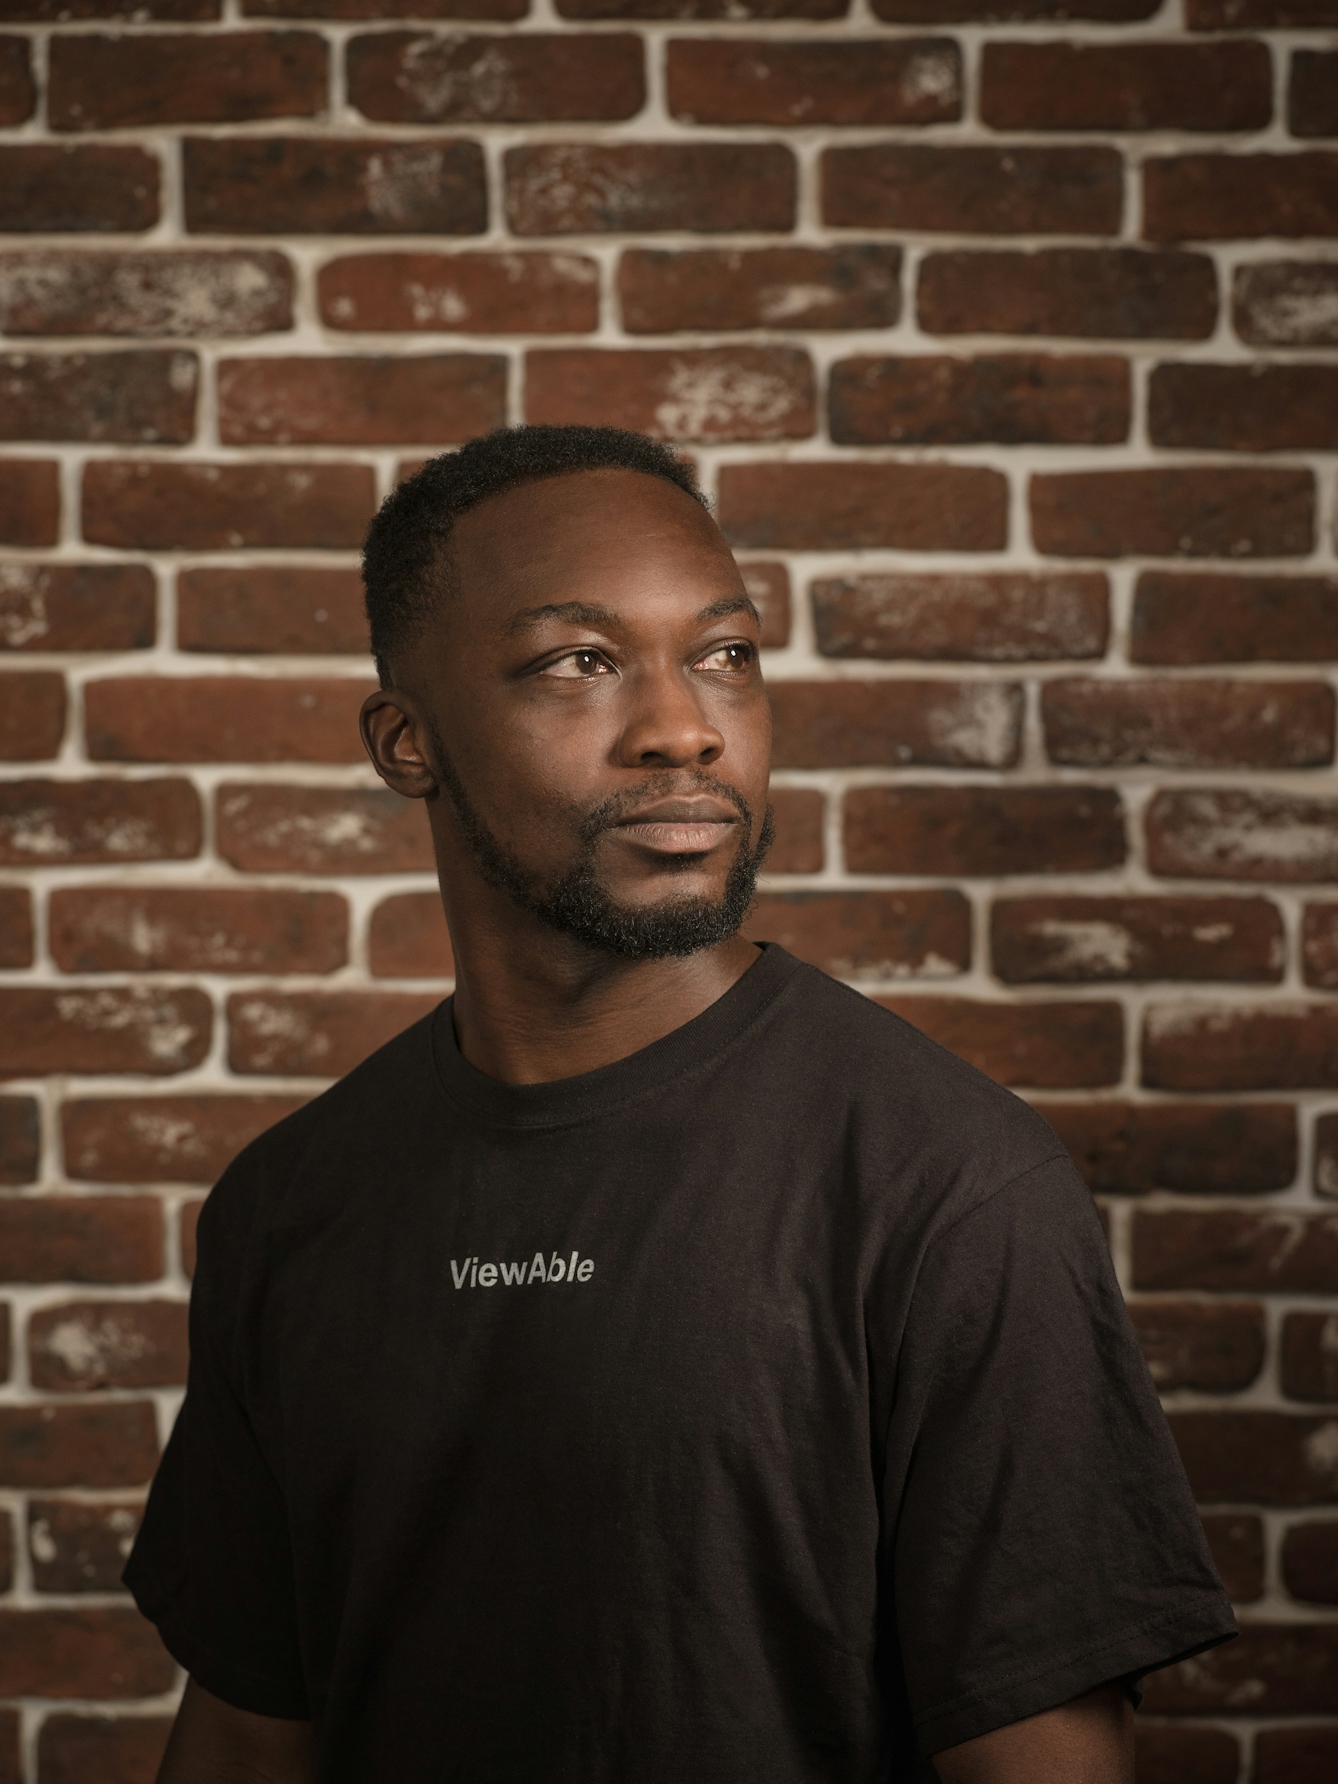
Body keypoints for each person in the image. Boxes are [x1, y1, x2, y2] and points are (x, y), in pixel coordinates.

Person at [127, 425, 1235, 1784]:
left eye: (725, 654)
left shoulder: (946, 1188)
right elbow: (248, 1731)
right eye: (578, 663)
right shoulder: (291, 1203)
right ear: (406, 744)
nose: (683, 725)